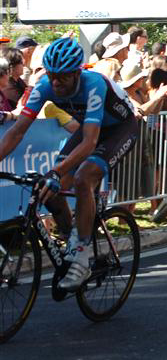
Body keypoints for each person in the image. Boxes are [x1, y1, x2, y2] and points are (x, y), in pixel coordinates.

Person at [0, 38, 138, 291]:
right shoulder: (44, 86)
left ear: (77, 72)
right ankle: (71, 240)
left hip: (119, 129)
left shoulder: (94, 83)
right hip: (89, 127)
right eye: (52, 75)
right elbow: (17, 131)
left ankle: (82, 256)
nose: (55, 82)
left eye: (62, 77)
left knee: (83, 178)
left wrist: (55, 170)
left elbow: (90, 142)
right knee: (50, 191)